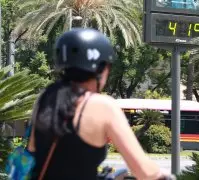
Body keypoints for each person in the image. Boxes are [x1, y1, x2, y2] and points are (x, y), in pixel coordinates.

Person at [27, 28, 174, 180]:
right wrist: (165, 175)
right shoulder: (103, 106)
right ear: (101, 68)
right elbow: (144, 171)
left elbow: (33, 149)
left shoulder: (45, 98)